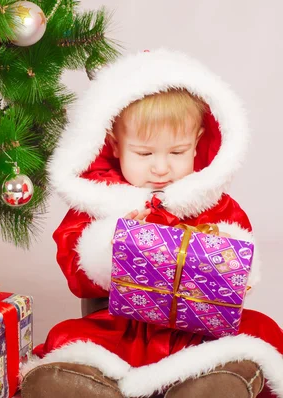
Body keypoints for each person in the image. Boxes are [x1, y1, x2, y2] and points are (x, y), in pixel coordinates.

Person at [20, 49, 283, 398]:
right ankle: (88, 384)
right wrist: (113, 244)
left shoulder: (213, 204)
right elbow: (78, 273)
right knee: (70, 340)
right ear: (114, 146)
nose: (161, 168)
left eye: (177, 152)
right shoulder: (98, 205)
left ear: (198, 144)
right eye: (144, 154)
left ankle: (207, 384)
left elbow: (242, 257)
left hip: (197, 333)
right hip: (121, 328)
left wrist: (226, 261)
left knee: (258, 333)